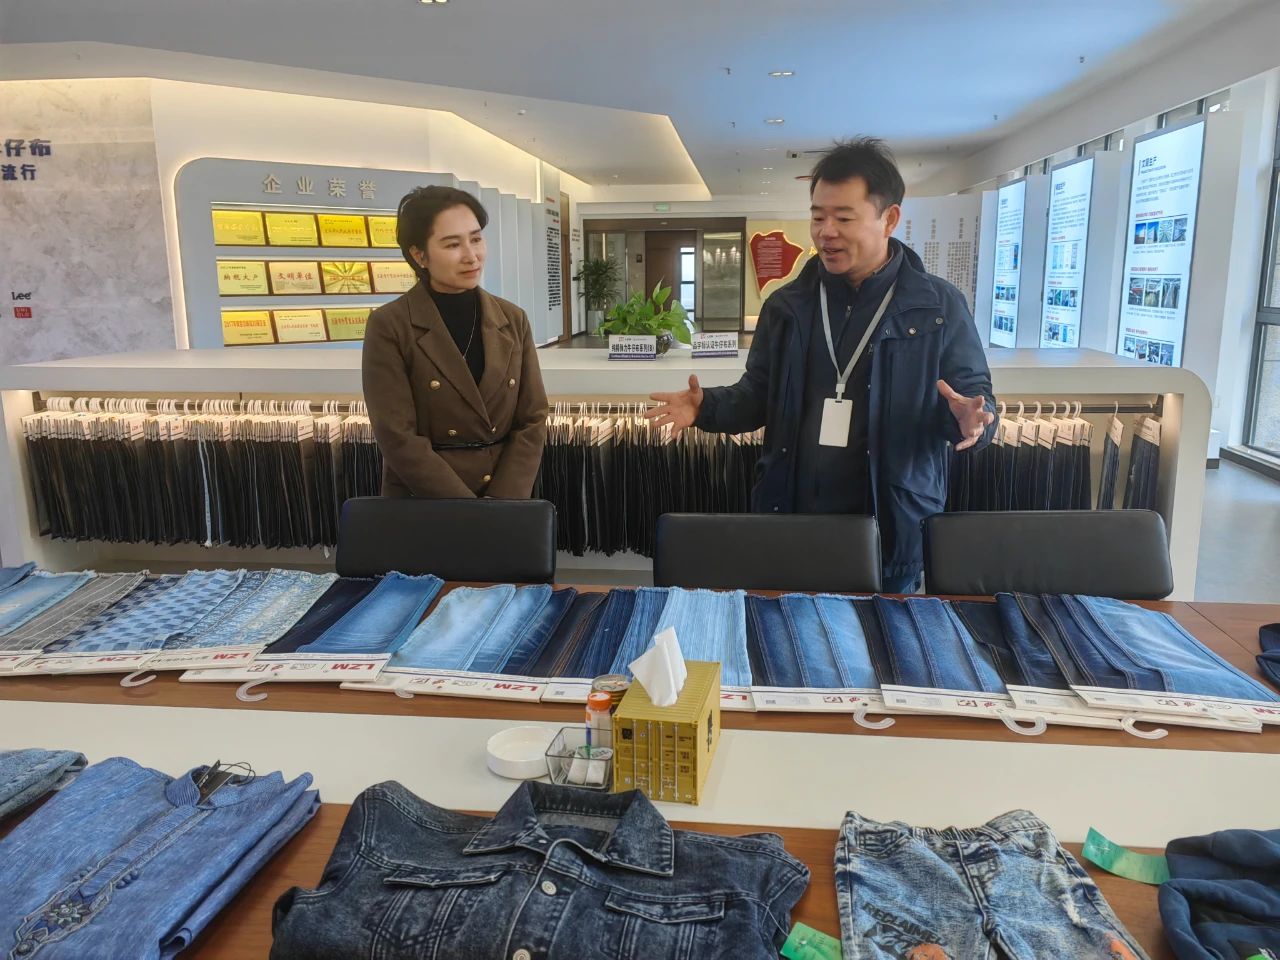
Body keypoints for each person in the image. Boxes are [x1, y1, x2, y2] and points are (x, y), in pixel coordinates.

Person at [647, 137, 997, 593]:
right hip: (793, 520)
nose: (826, 231)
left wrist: (971, 421)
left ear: (890, 218)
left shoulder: (939, 306)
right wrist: (704, 407)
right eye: (817, 217)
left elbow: (973, 398)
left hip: (890, 525)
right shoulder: (787, 306)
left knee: (881, 636)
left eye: (843, 218)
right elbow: (757, 396)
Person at [362, 186, 548, 499]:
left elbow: (532, 417)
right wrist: (467, 510)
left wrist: (503, 501)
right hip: (426, 500)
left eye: (476, 239)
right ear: (419, 255)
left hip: (506, 495)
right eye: (452, 244)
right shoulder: (390, 324)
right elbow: (396, 435)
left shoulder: (512, 318)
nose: (471, 256)